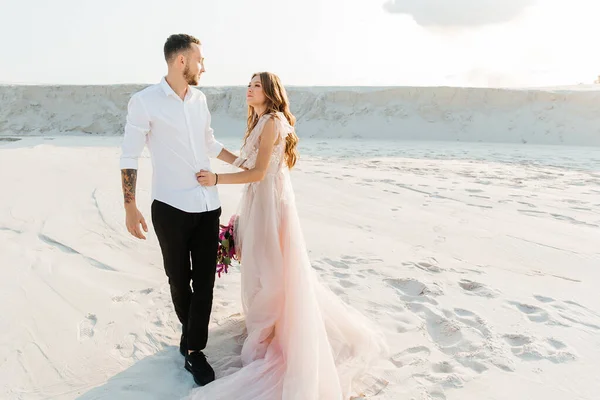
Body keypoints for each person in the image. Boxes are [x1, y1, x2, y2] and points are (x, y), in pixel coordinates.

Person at [189, 72, 388, 399]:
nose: (249, 89)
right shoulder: (260, 121)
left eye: (255, 85)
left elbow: (257, 172)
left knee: (269, 268)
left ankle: (271, 326)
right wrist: (213, 151)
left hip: (269, 203)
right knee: (261, 263)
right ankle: (267, 322)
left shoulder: (271, 122)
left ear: (269, 92)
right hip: (260, 199)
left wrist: (215, 180)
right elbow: (246, 161)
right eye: (249, 84)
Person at [119, 33, 243, 387]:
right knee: (179, 279)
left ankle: (193, 350)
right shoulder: (144, 102)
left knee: (204, 280)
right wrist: (130, 205)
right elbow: (129, 153)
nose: (204, 65)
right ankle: (191, 337)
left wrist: (244, 163)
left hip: (208, 204)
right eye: (200, 59)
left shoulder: (200, 99)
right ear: (181, 61)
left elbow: (209, 142)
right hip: (170, 208)